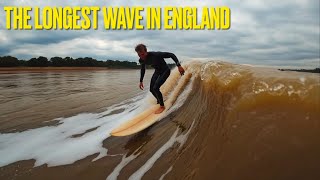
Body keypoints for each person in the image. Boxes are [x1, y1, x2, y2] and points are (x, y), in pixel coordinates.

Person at [135, 44, 185, 114]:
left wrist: (179, 66)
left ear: (146, 51)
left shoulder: (156, 54)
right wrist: (141, 81)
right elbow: (143, 69)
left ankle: (162, 106)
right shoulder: (141, 60)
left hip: (165, 70)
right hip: (157, 71)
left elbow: (171, 55)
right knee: (151, 89)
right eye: (139, 55)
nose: (141, 57)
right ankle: (160, 101)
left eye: (142, 54)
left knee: (155, 88)